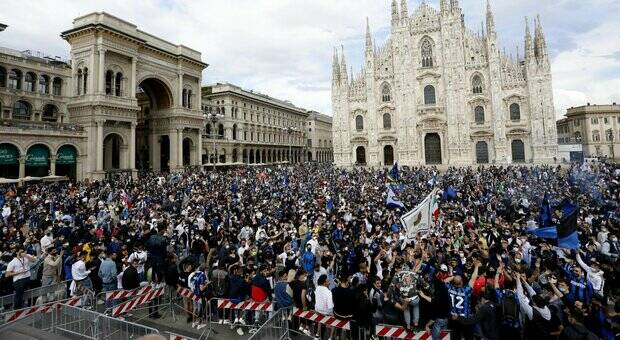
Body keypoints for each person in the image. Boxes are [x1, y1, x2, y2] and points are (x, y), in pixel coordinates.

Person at [443, 258, 480, 340]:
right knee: (468, 337)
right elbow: (473, 279)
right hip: (465, 319)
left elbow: (445, 280)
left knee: (456, 336)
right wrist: (476, 266)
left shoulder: (449, 289)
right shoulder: (466, 290)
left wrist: (453, 277)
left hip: (454, 318)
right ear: (462, 282)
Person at [313, 274, 334, 339]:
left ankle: (317, 334)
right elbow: (330, 306)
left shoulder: (317, 288)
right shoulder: (328, 292)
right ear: (324, 283)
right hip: (326, 312)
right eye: (327, 280)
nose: (329, 281)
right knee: (334, 320)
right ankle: (330, 337)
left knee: (320, 318)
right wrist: (332, 313)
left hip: (318, 310)